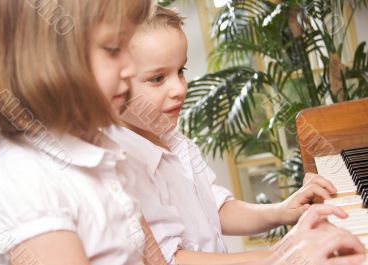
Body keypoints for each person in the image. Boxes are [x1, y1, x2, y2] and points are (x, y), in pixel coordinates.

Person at [107, 5, 367, 265]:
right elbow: (171, 259)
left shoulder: (173, 138)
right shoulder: (123, 165)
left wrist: (280, 211)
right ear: (111, 82)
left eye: (181, 71)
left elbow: (216, 209)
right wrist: (283, 255)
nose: (179, 88)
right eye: (157, 79)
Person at [0, 0, 165, 264]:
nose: (130, 67)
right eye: (112, 49)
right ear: (41, 57)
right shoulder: (22, 183)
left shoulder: (99, 148)